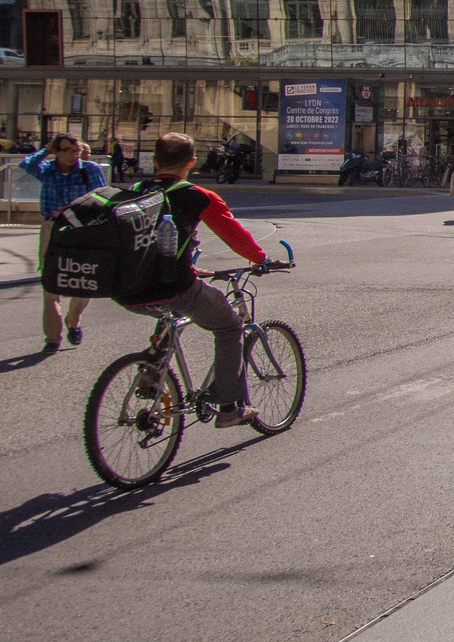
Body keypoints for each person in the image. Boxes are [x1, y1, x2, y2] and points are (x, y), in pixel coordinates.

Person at [119, 133, 271, 426]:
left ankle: (151, 373)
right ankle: (230, 408)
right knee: (230, 326)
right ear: (192, 162)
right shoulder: (197, 195)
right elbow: (235, 236)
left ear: (153, 160)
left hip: (127, 287)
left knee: (168, 314)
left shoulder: (133, 191)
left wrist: (186, 264)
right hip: (172, 286)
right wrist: (261, 259)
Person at [22, 133, 106, 352]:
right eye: (67, 150)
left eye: (76, 150)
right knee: (50, 283)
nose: (73, 156)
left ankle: (73, 317)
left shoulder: (90, 169)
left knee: (84, 281)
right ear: (56, 151)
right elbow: (26, 164)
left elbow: (103, 200)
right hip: (52, 228)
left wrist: (74, 210)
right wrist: (45, 151)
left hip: (82, 230)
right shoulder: (47, 170)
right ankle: (52, 338)